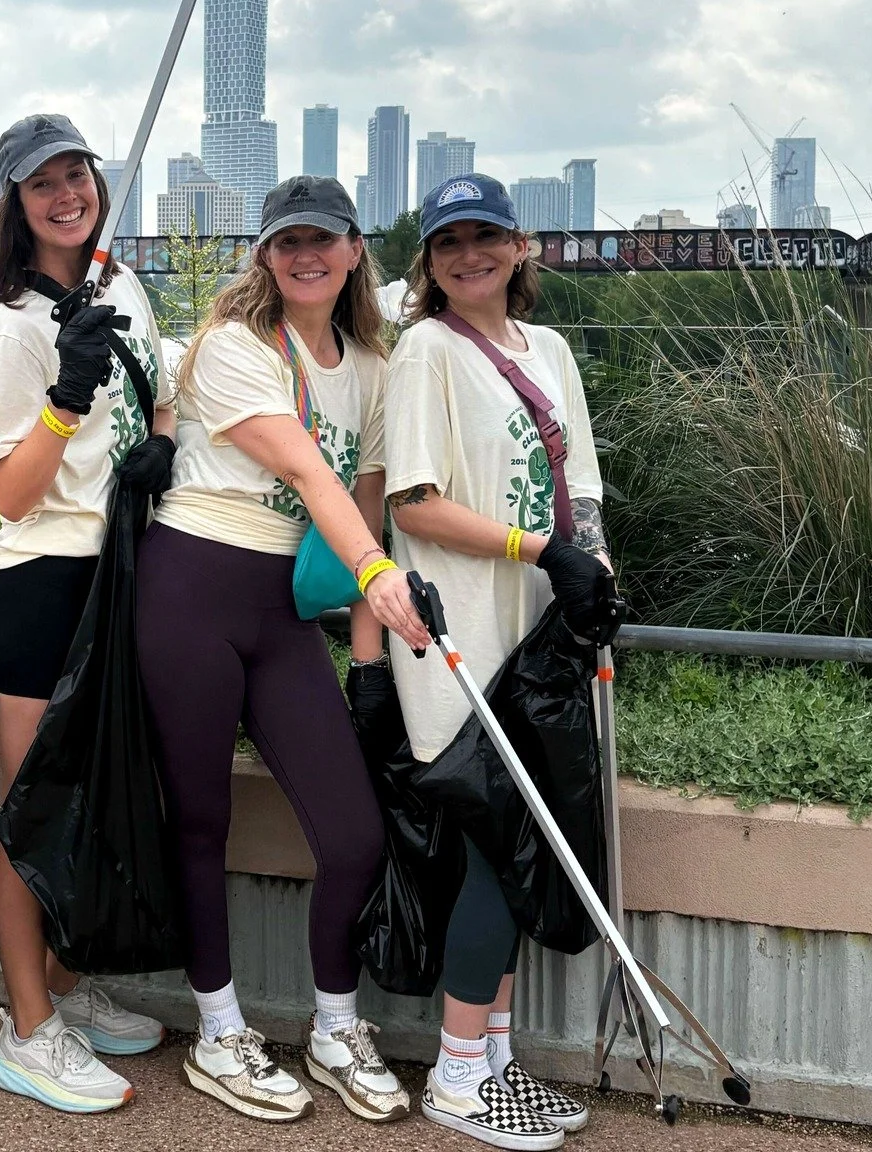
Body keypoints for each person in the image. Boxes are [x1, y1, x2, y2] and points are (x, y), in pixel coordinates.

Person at [134, 175, 430, 1125]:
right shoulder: (232, 347)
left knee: (354, 834)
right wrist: (379, 565)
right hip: (193, 585)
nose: (306, 256)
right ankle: (219, 1033)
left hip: (284, 612)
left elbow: (368, 498)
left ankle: (336, 1026)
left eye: (325, 240)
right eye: (286, 241)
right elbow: (304, 465)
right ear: (265, 255)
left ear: (354, 251)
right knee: (200, 821)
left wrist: (370, 656)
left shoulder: (375, 370)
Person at [385, 173, 614, 1149]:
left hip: (541, 640)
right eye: (448, 244)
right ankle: (459, 1076)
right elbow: (414, 503)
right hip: (461, 638)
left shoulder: (551, 351)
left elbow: (584, 492)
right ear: (430, 265)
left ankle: (498, 1060)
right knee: (492, 855)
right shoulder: (425, 351)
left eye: (487, 237)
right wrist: (538, 552)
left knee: (528, 857)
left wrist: (594, 573)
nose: (468, 255)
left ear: (521, 249)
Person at [0, 114, 174, 1114]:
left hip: (120, 572)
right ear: (15, 202)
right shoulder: (11, 324)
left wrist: (160, 446)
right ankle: (28, 1029)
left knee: (86, 805)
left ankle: (61, 985)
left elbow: (164, 395)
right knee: (32, 816)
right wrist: (64, 397)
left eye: (76, 174)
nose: (65, 194)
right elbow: (7, 494)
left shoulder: (120, 283)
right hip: (45, 582)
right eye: (41, 182)